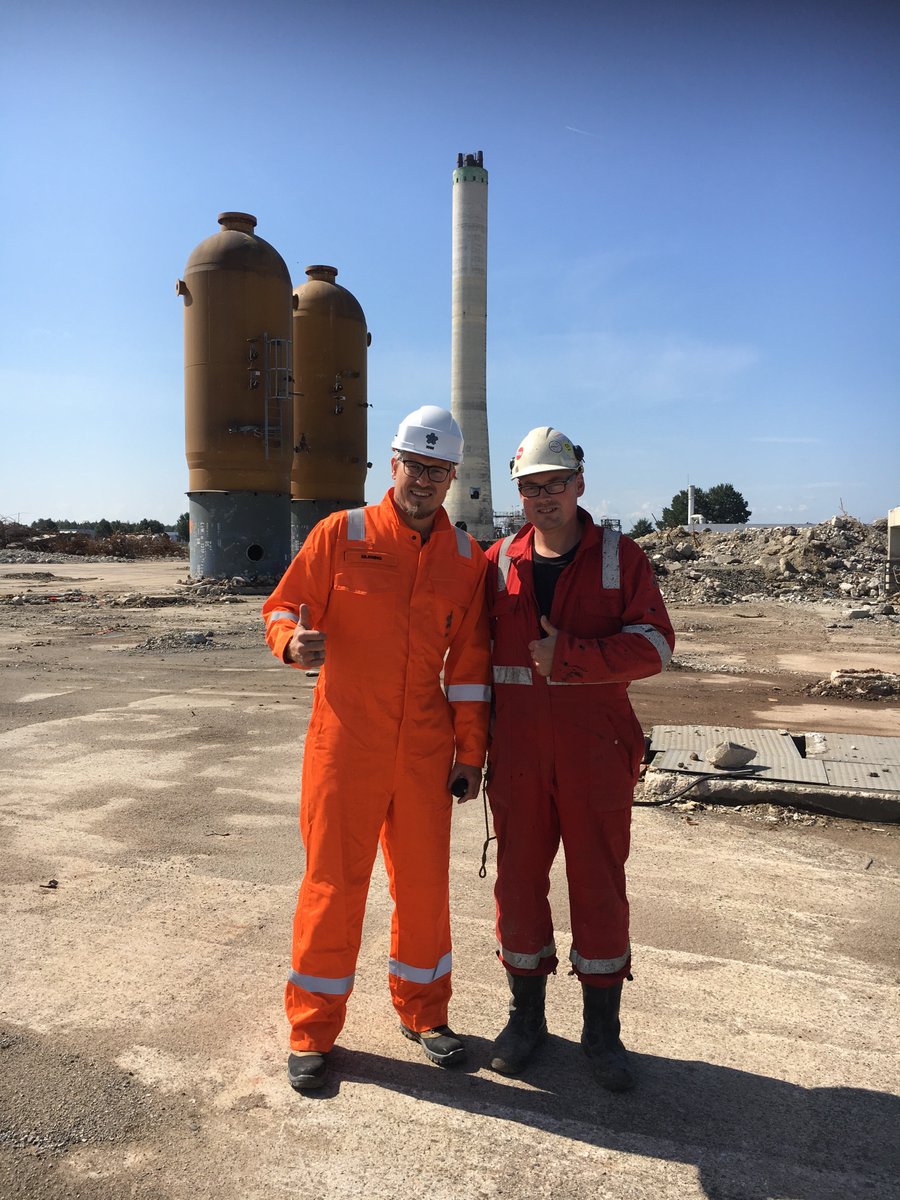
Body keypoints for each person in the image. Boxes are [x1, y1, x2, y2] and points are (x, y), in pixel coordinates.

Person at [263, 405, 491, 1090]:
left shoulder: (464, 560)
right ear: (392, 464)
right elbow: (282, 606)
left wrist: (470, 753)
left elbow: (473, 664)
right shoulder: (342, 533)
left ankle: (424, 1014)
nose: (423, 480)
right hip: (345, 744)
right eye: (414, 466)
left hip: (425, 749)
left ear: (453, 477)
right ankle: (311, 1031)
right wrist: (290, 643)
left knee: (424, 889)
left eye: (437, 471)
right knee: (333, 886)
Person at [483, 427, 675, 1091]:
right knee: (517, 887)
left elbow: (655, 647)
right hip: (517, 757)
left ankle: (603, 1035)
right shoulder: (497, 561)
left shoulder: (622, 559)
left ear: (579, 484)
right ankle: (525, 1021)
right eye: (531, 487)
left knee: (598, 888)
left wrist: (569, 658)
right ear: (519, 492)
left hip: (596, 750)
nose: (544, 497)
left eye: (555, 484)